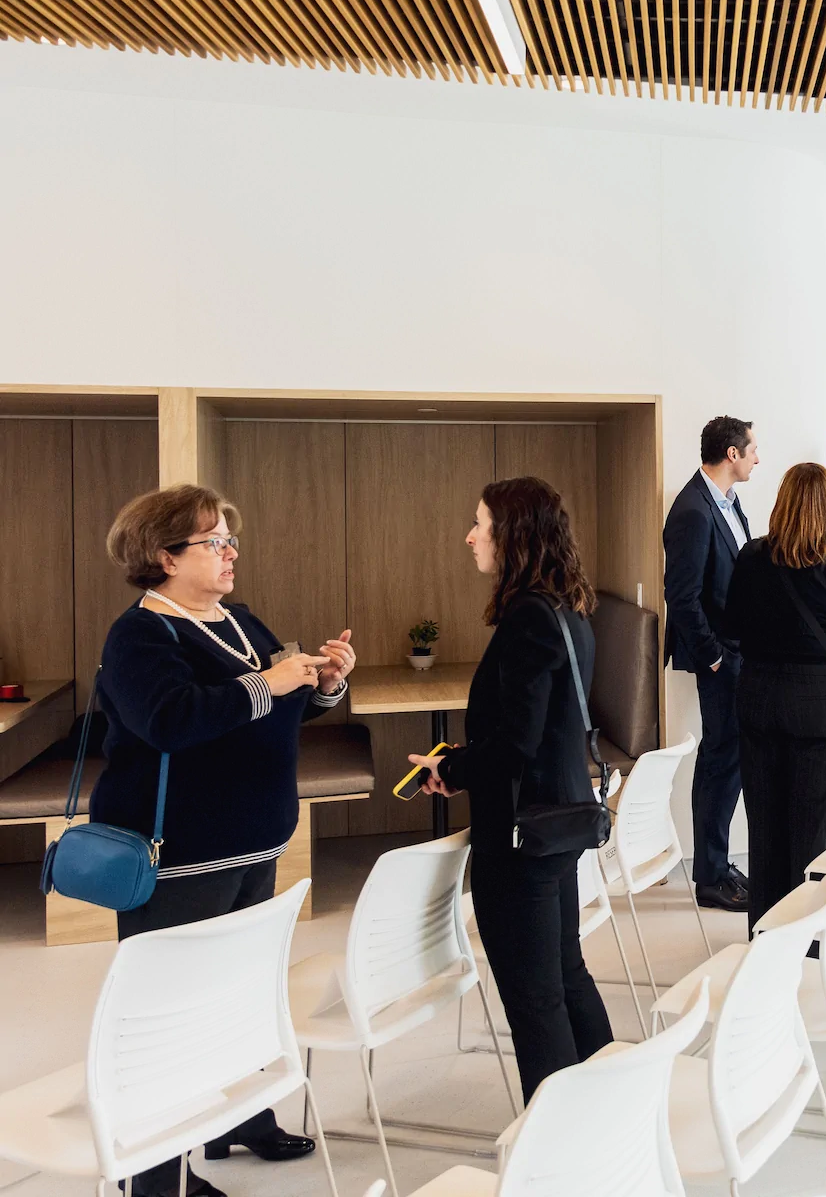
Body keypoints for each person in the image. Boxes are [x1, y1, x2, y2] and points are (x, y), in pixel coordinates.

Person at [93, 484, 355, 1197]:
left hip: (255, 844)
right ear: (164, 556)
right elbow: (171, 721)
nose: (230, 551)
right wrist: (270, 682)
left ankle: (241, 1119)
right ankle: (155, 1179)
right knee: (169, 1017)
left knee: (242, 995)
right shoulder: (141, 634)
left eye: (229, 538)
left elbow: (272, 710)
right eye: (213, 541)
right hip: (179, 856)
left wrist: (324, 685)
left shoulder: (238, 620)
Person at [409, 477, 612, 1102]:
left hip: (522, 835)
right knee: (566, 976)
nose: (471, 537)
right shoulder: (567, 608)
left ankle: (557, 1138)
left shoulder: (528, 615)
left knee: (535, 998)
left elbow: (517, 743)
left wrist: (453, 770)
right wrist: (464, 763)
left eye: (481, 524)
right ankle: (606, 1107)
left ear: (513, 534)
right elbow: (538, 732)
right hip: (560, 818)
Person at [723, 463, 826, 928]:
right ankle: (800, 936)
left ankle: (763, 932)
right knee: (808, 829)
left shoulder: (751, 557)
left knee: (764, 826)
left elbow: (731, 625)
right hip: (817, 704)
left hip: (759, 696)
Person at [662, 415, 758, 913]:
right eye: (752, 450)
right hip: (722, 657)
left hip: (741, 650)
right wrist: (715, 658)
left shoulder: (728, 501)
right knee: (721, 761)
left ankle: (716, 866)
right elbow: (681, 597)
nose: (758, 458)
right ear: (732, 454)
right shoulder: (693, 511)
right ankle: (711, 877)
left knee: (728, 758)